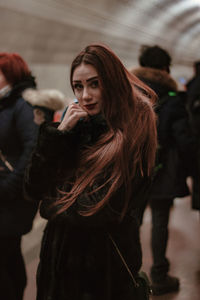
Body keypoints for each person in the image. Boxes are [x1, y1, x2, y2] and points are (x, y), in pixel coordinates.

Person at [24, 43, 157, 300]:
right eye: (78, 86)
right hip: (57, 269)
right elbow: (32, 189)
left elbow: (96, 211)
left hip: (103, 275)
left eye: (95, 84)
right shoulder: (76, 126)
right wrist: (59, 136)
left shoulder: (136, 131)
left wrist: (49, 204)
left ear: (113, 82)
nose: (85, 96)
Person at [130, 45, 195, 295]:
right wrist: (190, 169)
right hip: (163, 168)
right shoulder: (171, 97)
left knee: (131, 219)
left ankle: (130, 272)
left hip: (133, 167)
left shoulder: (128, 93)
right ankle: (158, 274)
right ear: (166, 67)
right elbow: (184, 139)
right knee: (160, 221)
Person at [0, 53, 39, 300]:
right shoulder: (6, 104)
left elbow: (32, 147)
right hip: (5, 195)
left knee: (5, 255)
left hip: (11, 198)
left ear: (10, 75)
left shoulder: (21, 105)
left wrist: (8, 187)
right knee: (10, 254)